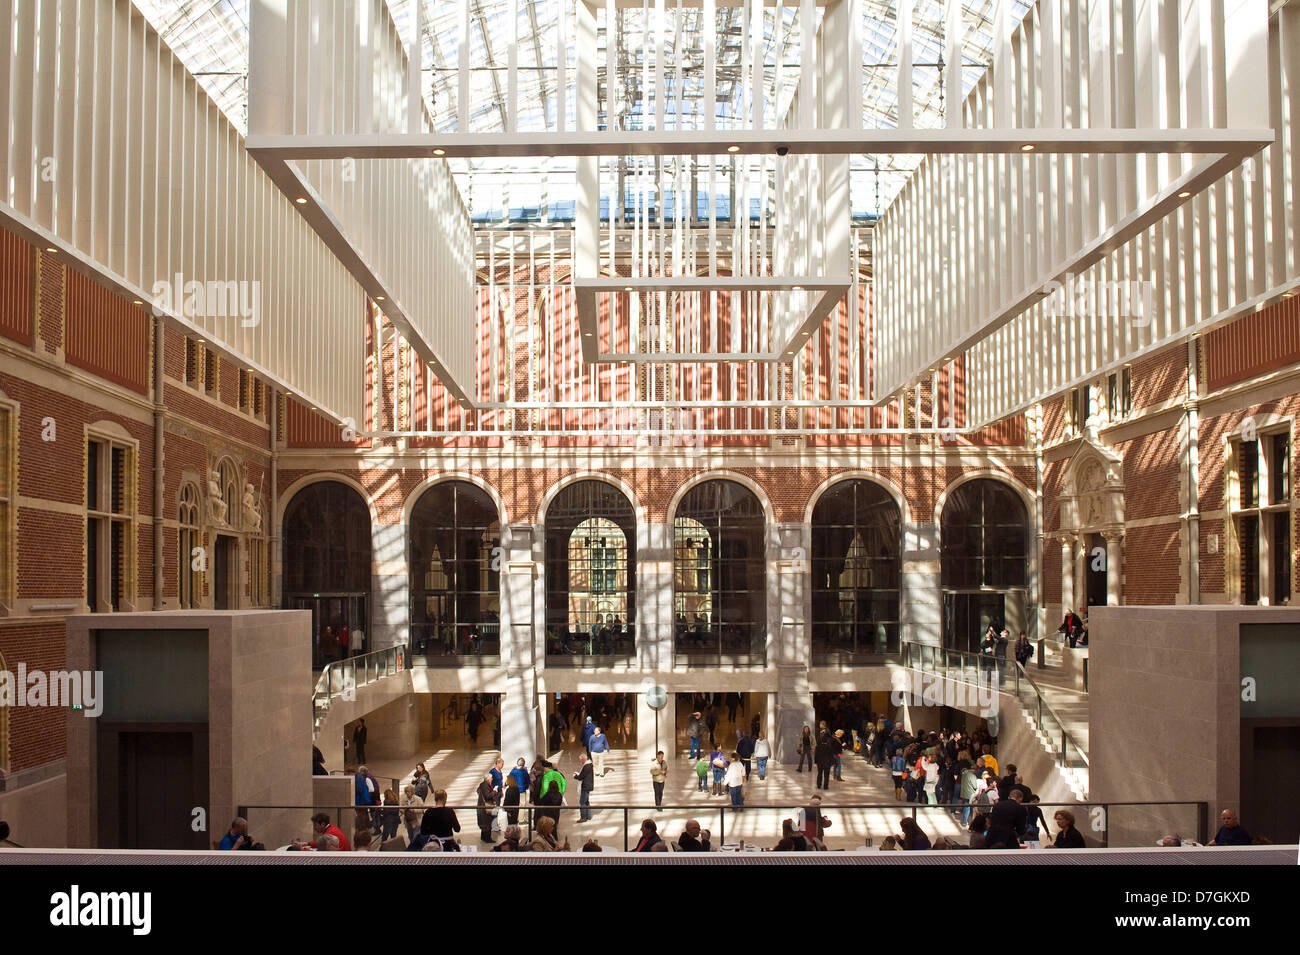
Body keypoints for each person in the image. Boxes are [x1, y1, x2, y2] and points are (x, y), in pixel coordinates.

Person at [476, 772, 499, 843]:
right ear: (488, 779)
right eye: (491, 778)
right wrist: (494, 791)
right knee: (487, 822)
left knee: (485, 823)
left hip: (482, 807)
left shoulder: (482, 785)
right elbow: (487, 796)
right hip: (485, 808)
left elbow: (478, 791)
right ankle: (487, 838)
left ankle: (483, 837)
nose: (492, 779)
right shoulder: (485, 785)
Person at [573, 753, 595, 822]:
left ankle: (583, 817)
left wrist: (575, 776)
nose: (580, 762)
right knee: (586, 801)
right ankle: (588, 816)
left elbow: (581, 777)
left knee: (582, 802)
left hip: (585, 786)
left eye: (580, 760)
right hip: (588, 786)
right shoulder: (589, 765)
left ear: (583, 759)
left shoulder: (586, 766)